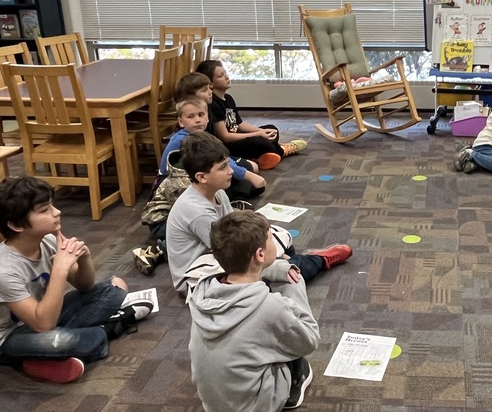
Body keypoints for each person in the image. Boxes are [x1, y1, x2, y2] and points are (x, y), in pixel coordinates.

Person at [0, 176, 133, 384]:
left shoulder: (46, 241)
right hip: (8, 337)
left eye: (52, 205)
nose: (57, 212)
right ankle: (102, 331)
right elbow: (44, 325)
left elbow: (85, 286)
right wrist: (59, 270)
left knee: (115, 287)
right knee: (60, 340)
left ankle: (49, 356)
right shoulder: (0, 272)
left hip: (43, 315)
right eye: (44, 210)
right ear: (17, 225)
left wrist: (84, 258)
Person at [188, 211, 319, 412]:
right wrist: (294, 289)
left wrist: (274, 269)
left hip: (213, 405)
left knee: (246, 344)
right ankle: (290, 388)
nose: (274, 242)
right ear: (260, 253)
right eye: (270, 238)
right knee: (288, 339)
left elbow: (246, 273)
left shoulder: (202, 291)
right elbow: (309, 339)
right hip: (258, 405)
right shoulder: (270, 307)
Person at [166, 131, 351, 296]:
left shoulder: (217, 192)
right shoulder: (197, 212)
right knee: (278, 271)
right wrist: (272, 262)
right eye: (222, 167)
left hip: (218, 253)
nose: (230, 170)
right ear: (201, 177)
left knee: (273, 235)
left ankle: (292, 262)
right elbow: (227, 251)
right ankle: (317, 260)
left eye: (228, 164)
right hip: (197, 277)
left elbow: (232, 229)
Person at [132, 96, 267, 275]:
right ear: (180, 121)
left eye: (201, 114)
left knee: (236, 191)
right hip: (163, 217)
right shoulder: (182, 152)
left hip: (199, 199)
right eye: (191, 116)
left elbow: (220, 161)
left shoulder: (202, 140)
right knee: (196, 237)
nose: (197, 119)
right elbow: (217, 242)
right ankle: (159, 249)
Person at [195, 59, 307, 170]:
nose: (227, 77)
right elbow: (226, 137)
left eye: (226, 73)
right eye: (220, 76)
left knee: (272, 129)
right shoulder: (213, 104)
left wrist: (261, 131)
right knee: (261, 142)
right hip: (228, 145)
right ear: (211, 84)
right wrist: (258, 135)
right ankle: (281, 150)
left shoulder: (228, 99)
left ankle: (263, 156)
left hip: (239, 136)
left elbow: (240, 124)